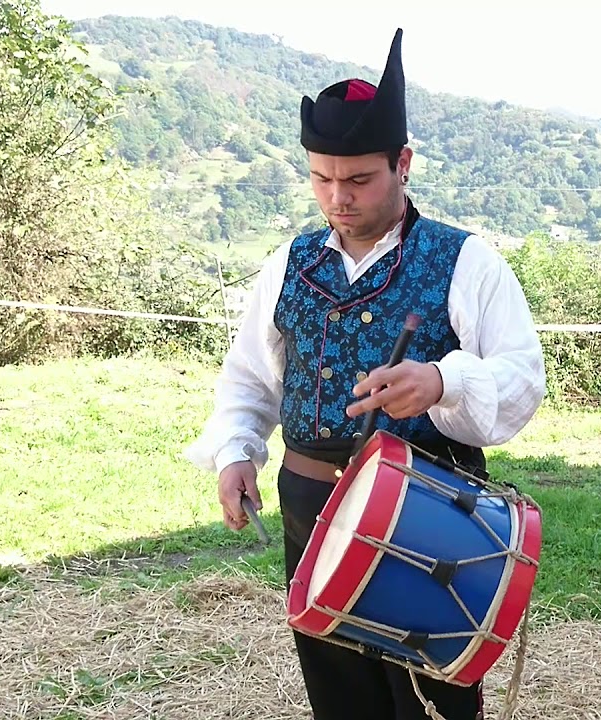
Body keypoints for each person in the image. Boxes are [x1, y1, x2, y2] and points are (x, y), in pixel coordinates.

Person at [185, 28, 546, 720]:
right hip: (311, 502)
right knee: (339, 695)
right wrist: (236, 452)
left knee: (433, 698)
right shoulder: (289, 263)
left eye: (357, 180)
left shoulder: (465, 261)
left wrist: (442, 381)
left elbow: (522, 377)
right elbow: (251, 379)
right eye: (321, 179)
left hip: (429, 509)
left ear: (402, 163)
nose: (337, 198)